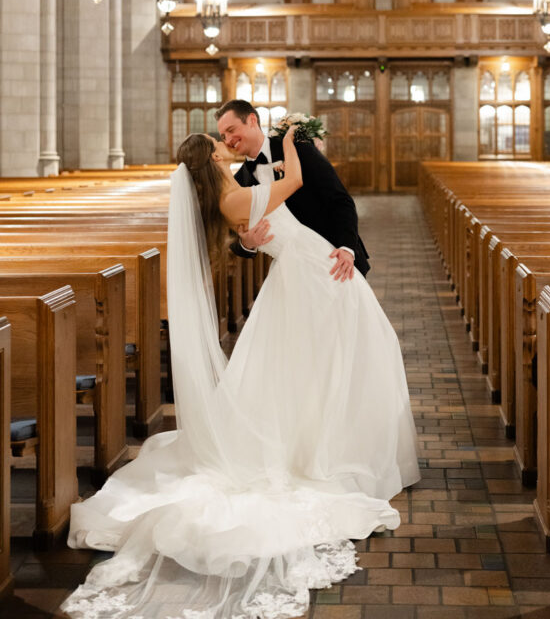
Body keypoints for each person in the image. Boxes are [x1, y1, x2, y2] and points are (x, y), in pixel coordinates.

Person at [62, 122, 419, 619]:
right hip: (305, 276)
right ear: (210, 161)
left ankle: (324, 437)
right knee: (318, 363)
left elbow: (314, 202)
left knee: (323, 361)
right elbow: (289, 186)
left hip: (312, 268)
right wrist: (292, 144)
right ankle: (321, 447)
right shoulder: (239, 193)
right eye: (218, 142)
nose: (225, 143)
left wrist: (274, 216)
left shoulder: (237, 189)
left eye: (229, 134)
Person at [217, 99, 369, 283]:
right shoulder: (239, 182)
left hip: (334, 257)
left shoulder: (297, 148)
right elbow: (232, 237)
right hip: (292, 271)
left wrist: (346, 248)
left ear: (251, 120)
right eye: (223, 136)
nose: (228, 140)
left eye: (231, 130)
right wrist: (247, 243)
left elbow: (339, 199)